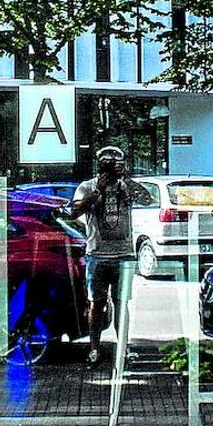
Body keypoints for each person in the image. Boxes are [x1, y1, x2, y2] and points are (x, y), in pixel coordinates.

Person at [70, 146, 153, 367]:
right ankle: (94, 348)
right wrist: (99, 189)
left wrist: (127, 178)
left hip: (124, 254)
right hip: (97, 253)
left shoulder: (126, 186)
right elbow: (75, 210)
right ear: (99, 165)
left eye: (114, 164)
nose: (110, 168)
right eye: (106, 164)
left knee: (121, 303)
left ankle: (123, 348)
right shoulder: (88, 185)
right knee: (96, 304)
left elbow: (147, 198)